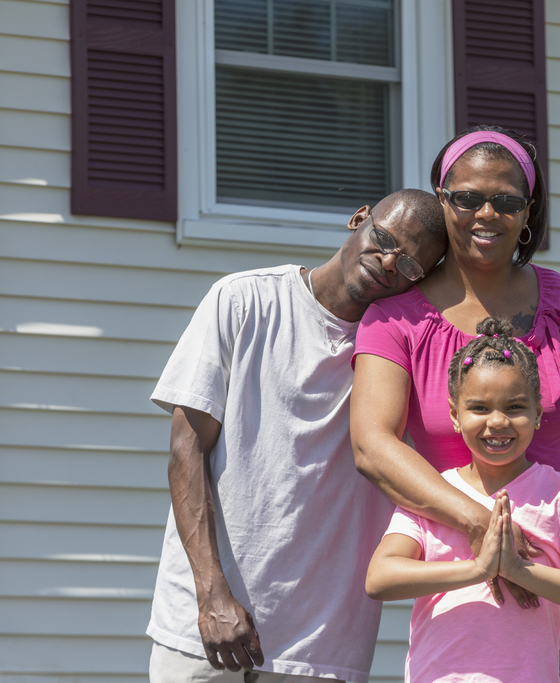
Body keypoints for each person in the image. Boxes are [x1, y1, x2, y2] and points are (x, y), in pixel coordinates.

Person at [351, 125, 560, 682]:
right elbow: (372, 445)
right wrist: (487, 531)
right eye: (466, 198)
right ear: (443, 200)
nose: (486, 214)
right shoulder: (396, 319)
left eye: (505, 201)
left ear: (528, 212)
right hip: (467, 576)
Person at [145, 190, 449, 683]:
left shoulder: (407, 351)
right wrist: (211, 593)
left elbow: (498, 402)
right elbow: (187, 450)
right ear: (358, 219)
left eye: (411, 264)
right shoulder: (243, 299)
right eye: (384, 239)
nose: (388, 262)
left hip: (325, 646)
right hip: (206, 628)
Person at [365, 318, 560, 683]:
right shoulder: (433, 495)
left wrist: (520, 570)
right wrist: (478, 569)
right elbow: (379, 579)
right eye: (480, 408)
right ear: (456, 416)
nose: (498, 421)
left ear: (537, 414)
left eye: (515, 407)